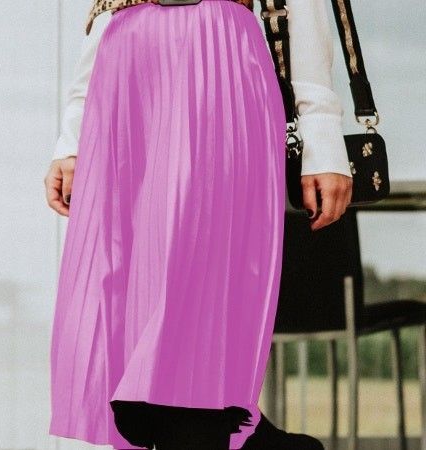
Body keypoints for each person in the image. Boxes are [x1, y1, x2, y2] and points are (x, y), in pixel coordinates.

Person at [44, 0, 353, 448]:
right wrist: (73, 134)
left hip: (217, 57)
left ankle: (233, 433)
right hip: (124, 73)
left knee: (198, 292)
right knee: (130, 301)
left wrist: (321, 128)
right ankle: (247, 436)